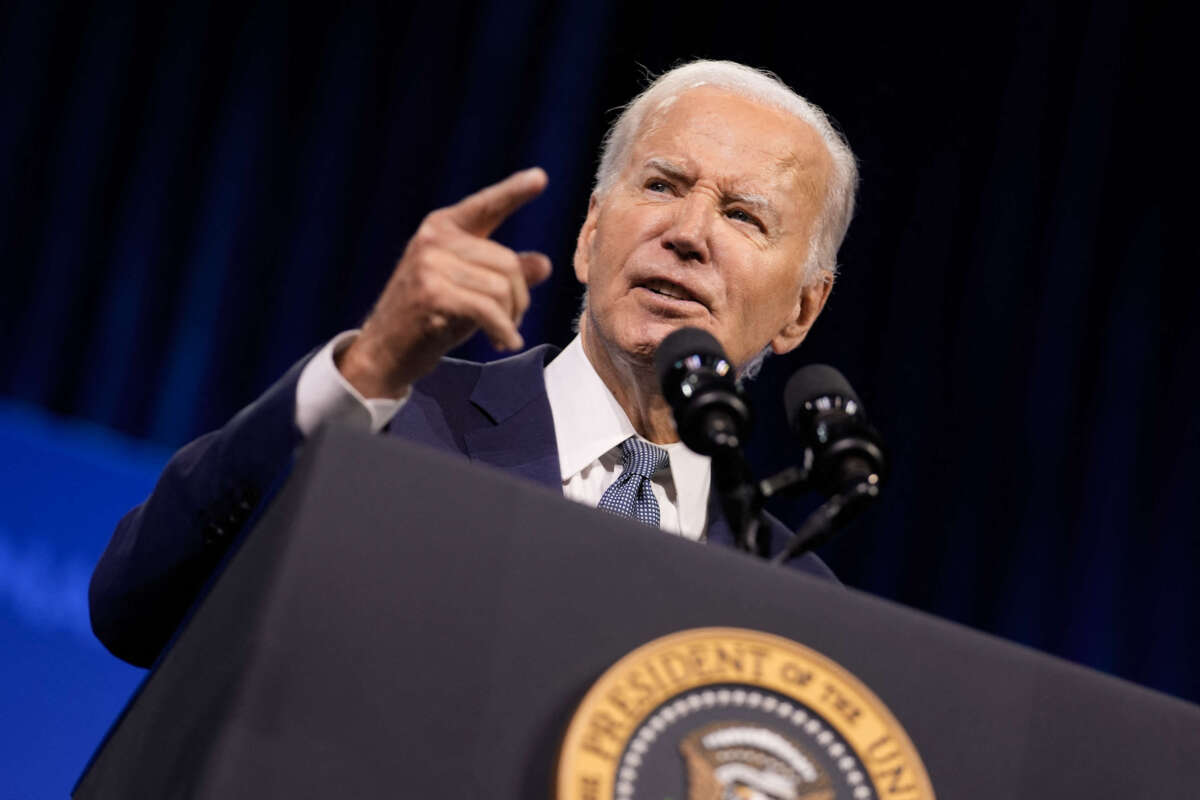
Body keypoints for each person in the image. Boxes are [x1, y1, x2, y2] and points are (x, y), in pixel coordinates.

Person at [90, 60, 859, 668]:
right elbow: (136, 605)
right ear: (591, 234)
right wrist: (370, 366)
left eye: (742, 215)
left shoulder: (791, 597)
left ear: (801, 310)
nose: (688, 233)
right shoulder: (389, 415)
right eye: (661, 184)